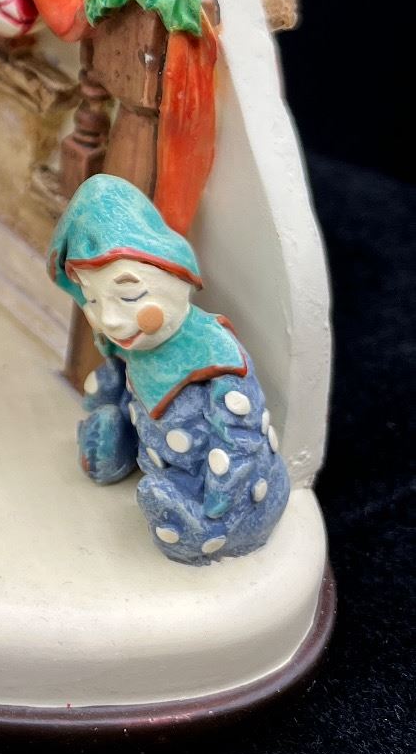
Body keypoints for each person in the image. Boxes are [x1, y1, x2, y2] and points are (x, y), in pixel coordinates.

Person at [49, 174, 290, 564]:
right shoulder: (130, 345)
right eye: (92, 300)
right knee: (110, 434)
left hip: (222, 497)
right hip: (161, 463)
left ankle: (200, 533)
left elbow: (239, 443)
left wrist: (215, 504)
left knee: (163, 508)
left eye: (129, 295)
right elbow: (121, 390)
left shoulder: (215, 355)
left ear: (178, 282)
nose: (109, 319)